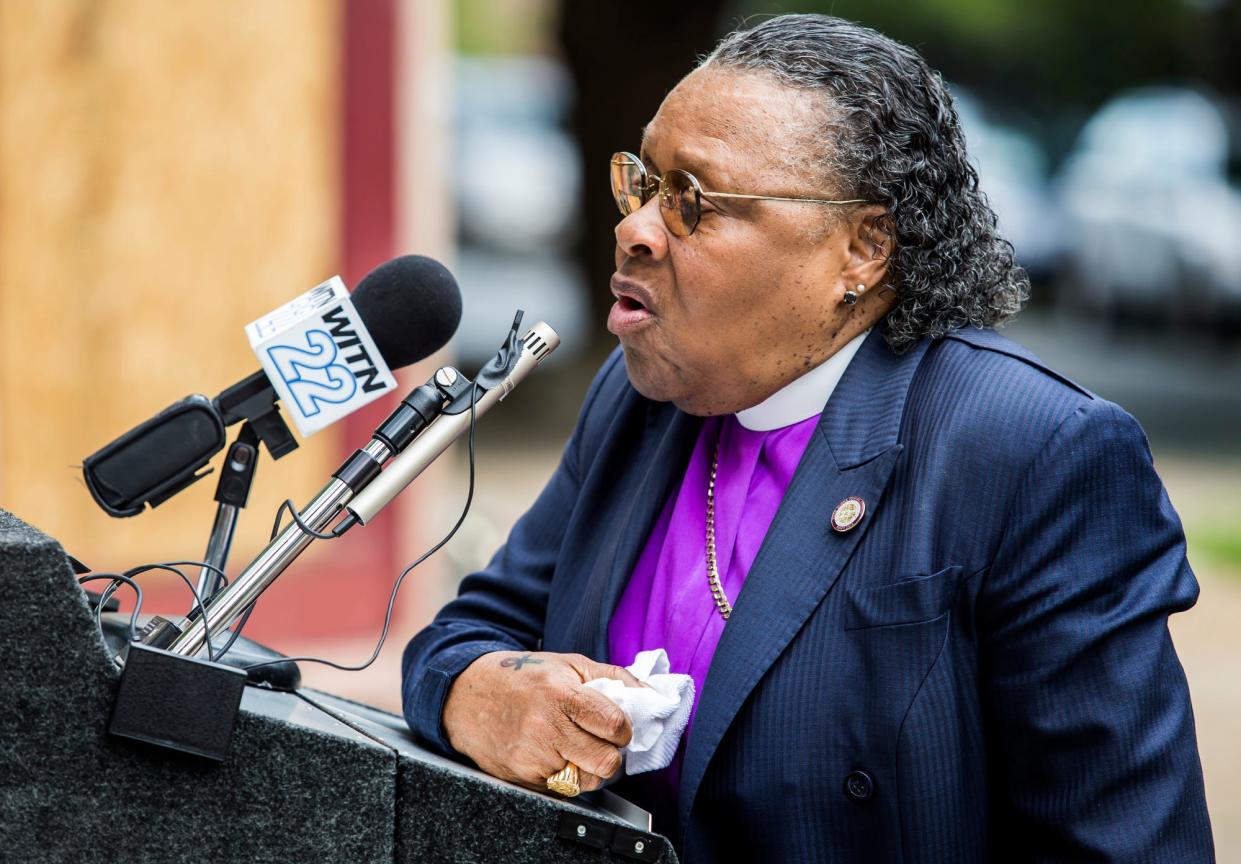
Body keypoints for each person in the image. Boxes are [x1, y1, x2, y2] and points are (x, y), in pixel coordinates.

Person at [402, 14, 1213, 862]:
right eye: (640, 183)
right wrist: (477, 693)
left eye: (690, 202)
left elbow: (1125, 843)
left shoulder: (1029, 450)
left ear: (861, 249)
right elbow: (476, 628)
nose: (636, 227)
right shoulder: (644, 395)